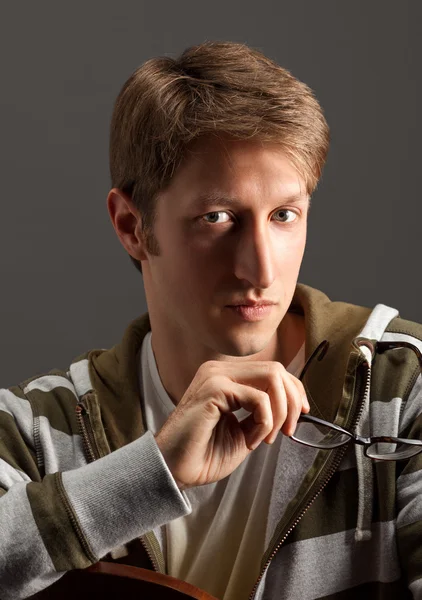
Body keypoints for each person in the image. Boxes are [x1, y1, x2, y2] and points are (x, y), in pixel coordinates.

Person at [1, 41, 421, 600]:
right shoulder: (35, 431)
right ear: (131, 225)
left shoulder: (401, 388)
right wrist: (153, 472)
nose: (261, 268)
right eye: (217, 217)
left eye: (284, 215)